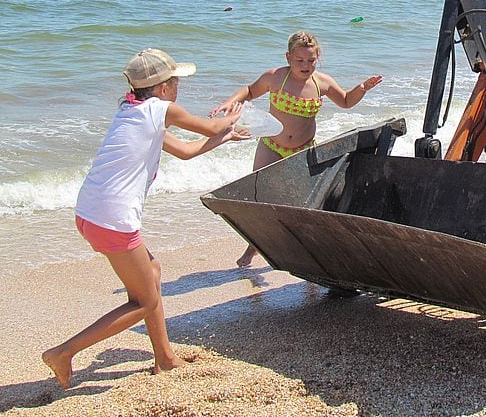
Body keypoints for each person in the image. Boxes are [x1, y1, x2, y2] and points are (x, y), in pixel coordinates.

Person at [41, 48, 249, 389]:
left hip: (92, 212)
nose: (179, 87)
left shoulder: (133, 111)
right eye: (176, 81)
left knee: (151, 272)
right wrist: (235, 113)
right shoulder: (160, 109)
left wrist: (223, 138)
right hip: (112, 219)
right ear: (164, 88)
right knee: (144, 301)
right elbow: (212, 122)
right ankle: (63, 353)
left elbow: (184, 151)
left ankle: (164, 357)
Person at [210, 31, 382, 268]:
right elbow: (249, 91)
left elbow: (345, 101)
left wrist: (361, 88)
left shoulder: (321, 82)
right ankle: (253, 247)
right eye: (299, 61)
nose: (305, 65)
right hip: (271, 144)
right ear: (288, 57)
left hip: (303, 150)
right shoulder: (275, 77)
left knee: (300, 204)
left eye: (311, 61)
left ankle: (305, 251)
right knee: (261, 198)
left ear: (317, 57)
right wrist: (231, 102)